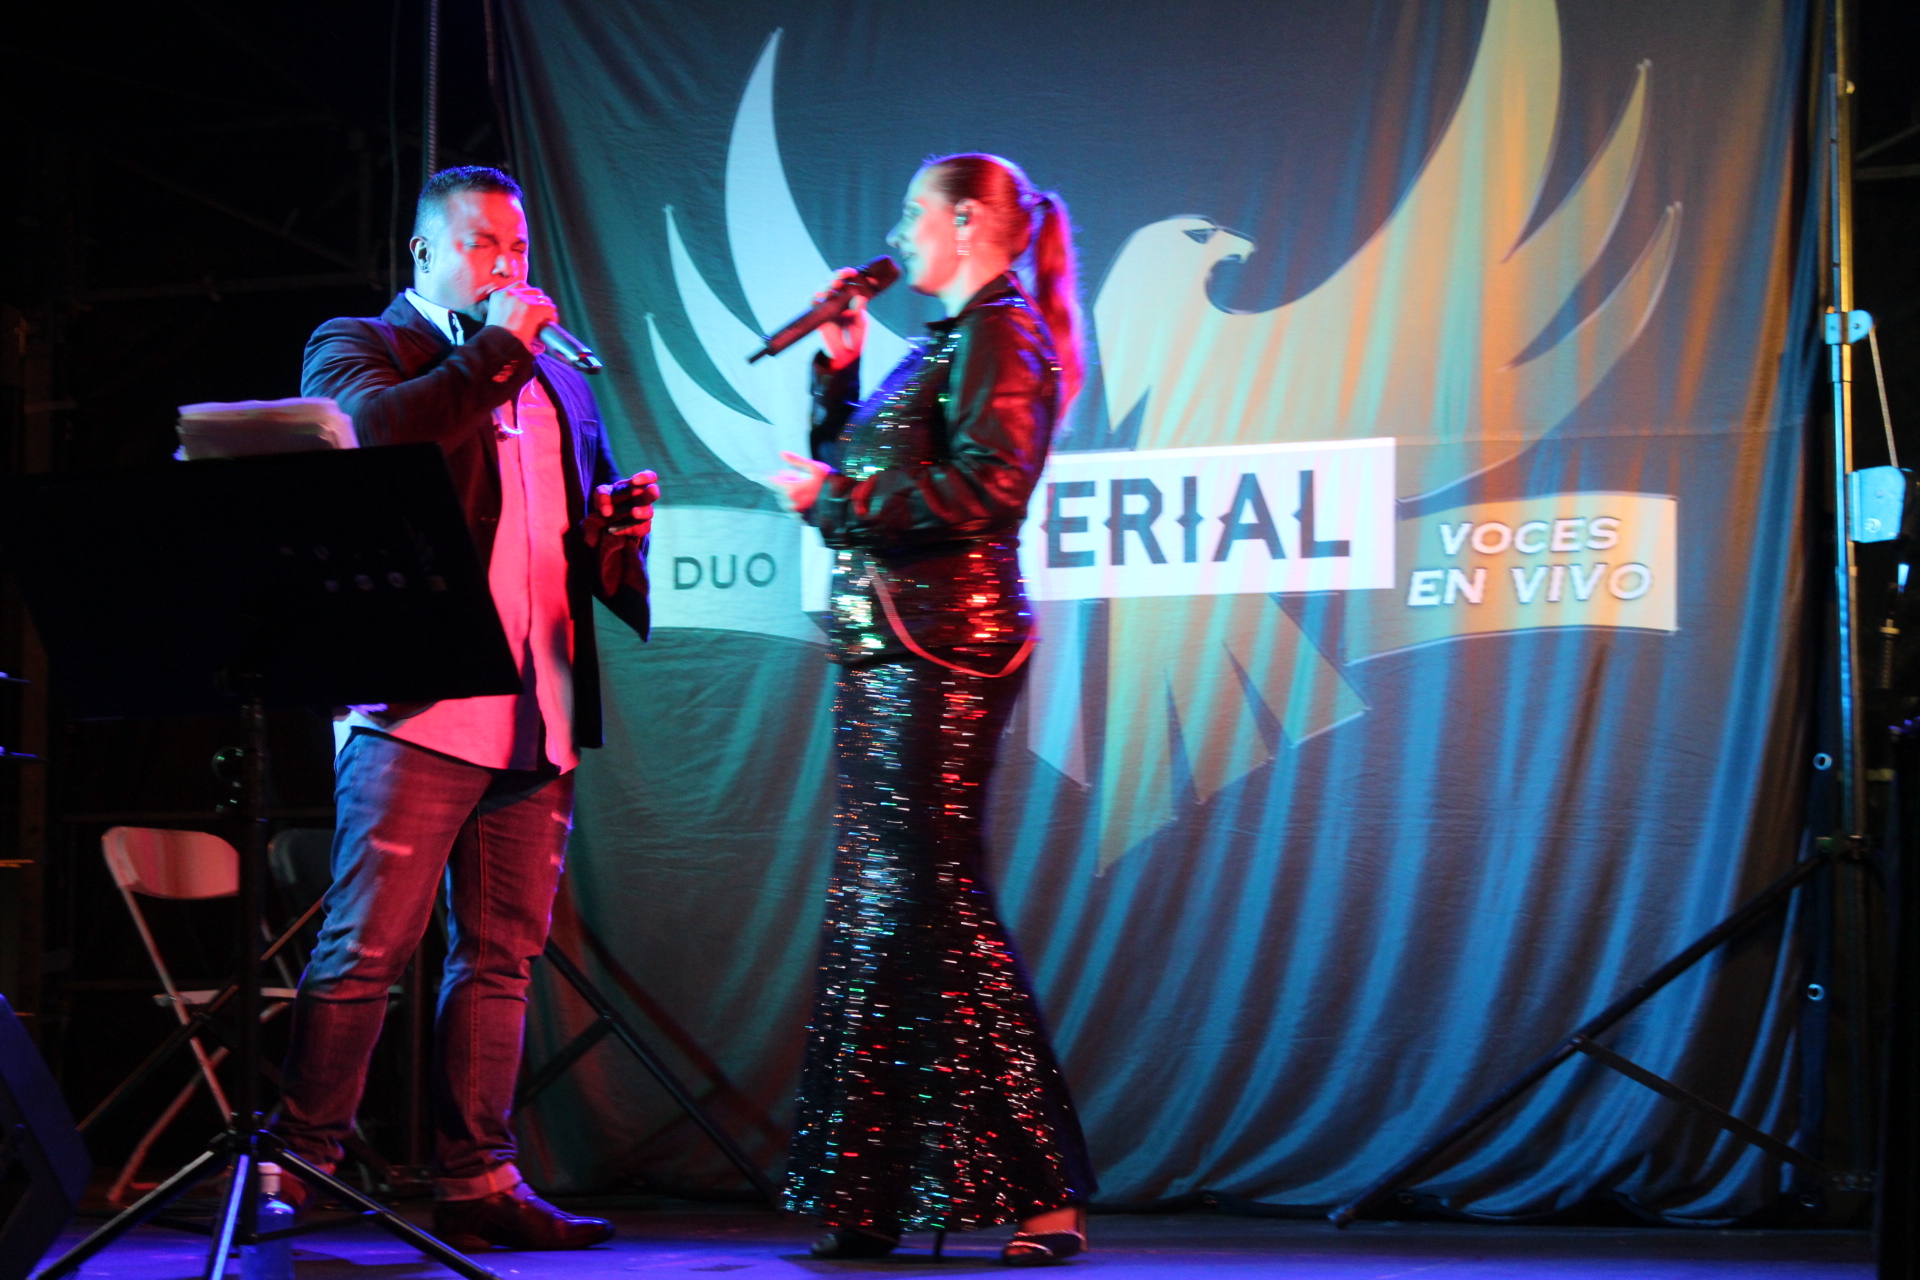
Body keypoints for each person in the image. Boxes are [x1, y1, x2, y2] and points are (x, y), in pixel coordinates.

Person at [279, 166, 656, 1251]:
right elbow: (372, 440)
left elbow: (560, 534)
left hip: (538, 702)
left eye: (518, 247)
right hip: (417, 704)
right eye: (484, 243)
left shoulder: (554, 379)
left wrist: (613, 534)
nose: (506, 264)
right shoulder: (363, 345)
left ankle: (480, 1178)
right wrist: (493, 351)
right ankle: (300, 1166)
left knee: (499, 958)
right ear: (425, 253)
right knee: (366, 947)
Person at [770, 153, 1095, 1267]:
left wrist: (836, 498)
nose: (897, 231)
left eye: (913, 211)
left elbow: (986, 489)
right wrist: (837, 374)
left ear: (965, 222)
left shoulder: (1005, 334)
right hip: (888, 652)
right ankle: (872, 1191)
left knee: (929, 897)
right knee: (883, 908)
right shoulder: (947, 343)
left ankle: (1043, 1190)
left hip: (942, 649)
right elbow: (869, 474)